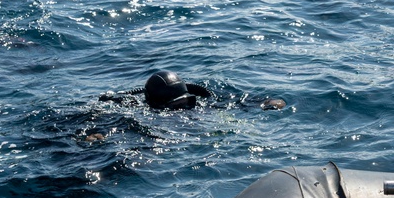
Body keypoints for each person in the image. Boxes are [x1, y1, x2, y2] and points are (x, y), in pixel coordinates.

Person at [100, 70, 286, 111]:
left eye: (187, 103)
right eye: (176, 106)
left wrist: (263, 102)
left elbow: (230, 103)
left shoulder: (201, 105)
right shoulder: (138, 110)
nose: (184, 110)